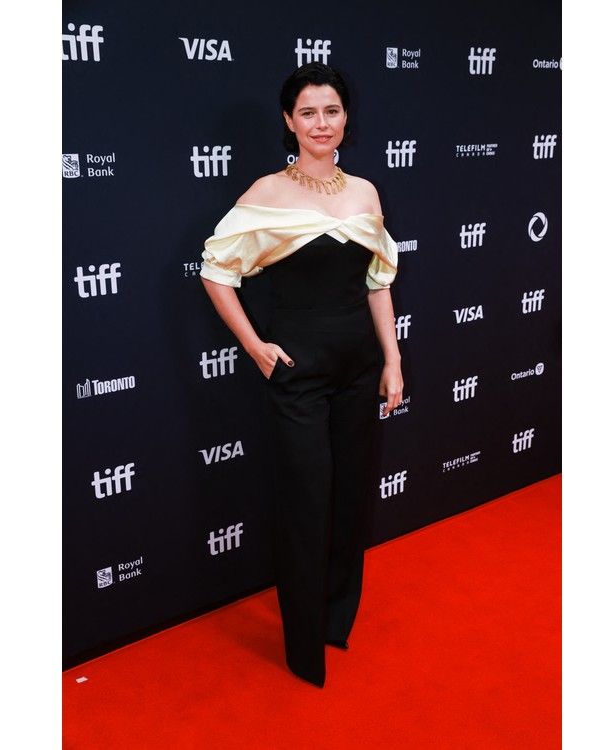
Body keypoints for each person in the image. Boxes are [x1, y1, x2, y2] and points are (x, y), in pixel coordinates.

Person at [199, 62, 403, 688]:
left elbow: (377, 281)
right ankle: (302, 640)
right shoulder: (265, 194)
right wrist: (256, 347)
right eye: (308, 112)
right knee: (307, 503)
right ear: (288, 121)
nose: (322, 123)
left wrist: (393, 359)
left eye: (332, 111)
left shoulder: (364, 192)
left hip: (358, 368)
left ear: (346, 118)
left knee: (349, 501)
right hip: (300, 376)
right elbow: (215, 270)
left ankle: (337, 616)